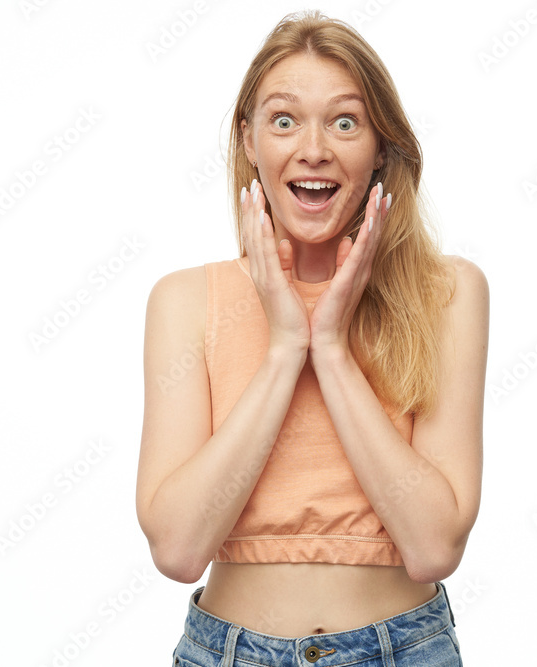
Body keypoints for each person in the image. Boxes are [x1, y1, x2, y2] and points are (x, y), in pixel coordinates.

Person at [136, 10, 488, 666]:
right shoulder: (185, 301)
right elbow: (179, 550)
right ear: (248, 139)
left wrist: (330, 350)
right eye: (284, 120)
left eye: (345, 122)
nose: (314, 148)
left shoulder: (447, 294)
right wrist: (283, 351)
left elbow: (434, 547)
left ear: (381, 147)